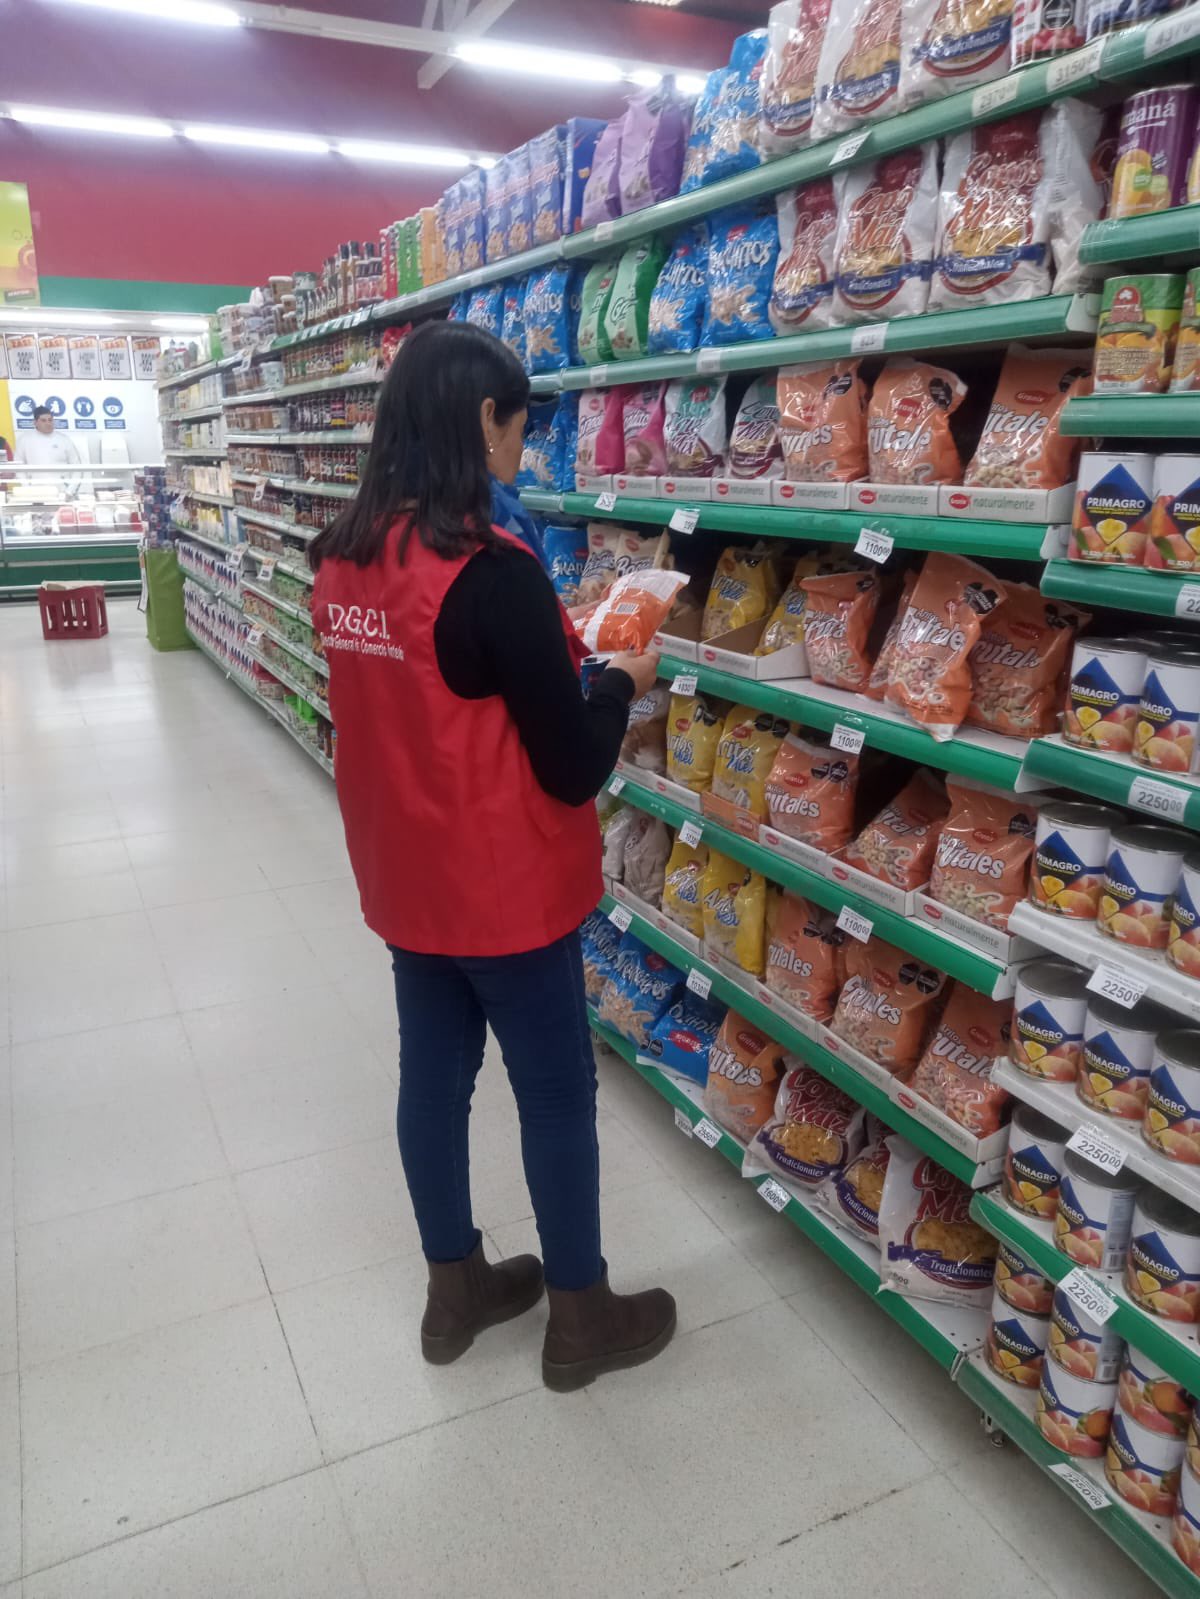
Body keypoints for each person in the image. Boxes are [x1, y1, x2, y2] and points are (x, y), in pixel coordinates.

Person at [310, 320, 676, 1392]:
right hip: (505, 890)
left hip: (405, 880)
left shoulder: (341, 554)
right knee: (555, 1092)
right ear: (483, 419)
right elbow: (570, 766)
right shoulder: (491, 571)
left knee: (432, 1081)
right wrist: (616, 684)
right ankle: (581, 1315)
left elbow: (428, 697)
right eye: (519, 427)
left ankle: (454, 1287)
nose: (522, 450)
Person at [14, 404, 81, 497]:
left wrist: (70, 491)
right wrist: (27, 488)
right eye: (43, 420)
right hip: (35, 492)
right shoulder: (24, 440)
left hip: (62, 492)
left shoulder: (64, 439)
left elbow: (77, 467)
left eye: (50, 420)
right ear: (35, 422)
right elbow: (18, 467)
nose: (48, 423)